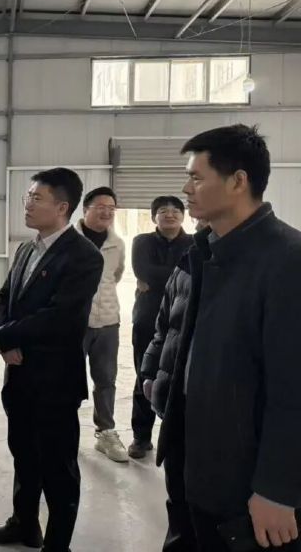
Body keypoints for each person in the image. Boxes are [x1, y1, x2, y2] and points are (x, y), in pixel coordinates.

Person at [158, 124, 301, 551]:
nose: (186, 189)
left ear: (238, 181)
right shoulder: (205, 251)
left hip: (246, 484)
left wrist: (277, 488)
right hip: (194, 461)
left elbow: (293, 388)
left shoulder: (287, 260)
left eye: (196, 177)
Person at [0, 168, 103, 552]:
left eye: (37, 198)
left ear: (62, 207)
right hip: (18, 373)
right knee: (24, 454)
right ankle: (25, 524)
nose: (28, 205)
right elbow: (4, 297)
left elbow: (62, 317)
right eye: (27, 197)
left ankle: (57, 544)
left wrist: (7, 335)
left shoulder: (84, 255)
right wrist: (3, 339)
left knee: (57, 467)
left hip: (55, 381)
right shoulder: (26, 249)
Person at [140, 218, 206, 552]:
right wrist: (150, 372)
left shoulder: (266, 263)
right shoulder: (187, 264)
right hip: (177, 404)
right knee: (178, 495)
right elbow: (164, 327)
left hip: (220, 414)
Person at [128, 196, 192, 459]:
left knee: (180, 378)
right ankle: (141, 437)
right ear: (154, 216)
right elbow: (143, 270)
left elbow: (192, 275)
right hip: (147, 319)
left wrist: (157, 278)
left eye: (175, 210)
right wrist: (177, 274)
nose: (170, 214)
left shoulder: (193, 243)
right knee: (145, 374)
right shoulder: (141, 241)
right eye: (163, 211)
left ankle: (175, 436)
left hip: (182, 321)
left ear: (183, 215)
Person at [76, 186, 128, 463]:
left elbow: (115, 276)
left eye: (111, 208)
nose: (106, 212)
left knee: (106, 380)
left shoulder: (117, 243)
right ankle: (65, 431)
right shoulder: (69, 240)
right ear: (86, 209)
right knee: (68, 380)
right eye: (100, 207)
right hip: (75, 324)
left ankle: (105, 432)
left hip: (108, 322)